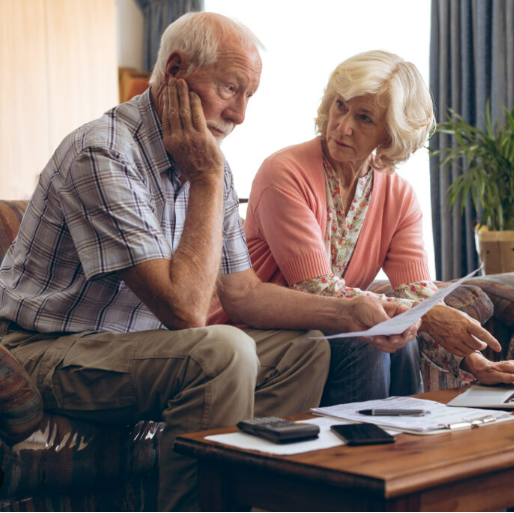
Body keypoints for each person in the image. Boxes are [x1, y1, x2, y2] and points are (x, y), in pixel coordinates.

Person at [0, 16, 417, 512]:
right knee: (223, 351)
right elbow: (186, 311)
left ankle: (254, 496)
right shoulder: (103, 153)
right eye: (229, 89)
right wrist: (204, 177)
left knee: (305, 350)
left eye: (249, 96)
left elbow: (242, 293)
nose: (239, 114)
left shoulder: (209, 162)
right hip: (45, 352)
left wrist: (352, 314)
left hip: (131, 349)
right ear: (175, 70)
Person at [232, 50, 514, 405]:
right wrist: (427, 316)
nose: (343, 126)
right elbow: (316, 289)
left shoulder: (399, 195)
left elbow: (417, 296)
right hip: (258, 328)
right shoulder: (284, 172)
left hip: (328, 328)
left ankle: (409, 450)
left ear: (389, 136)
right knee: (366, 341)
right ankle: (364, 455)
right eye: (340, 106)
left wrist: (475, 362)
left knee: (398, 340)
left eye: (364, 117)